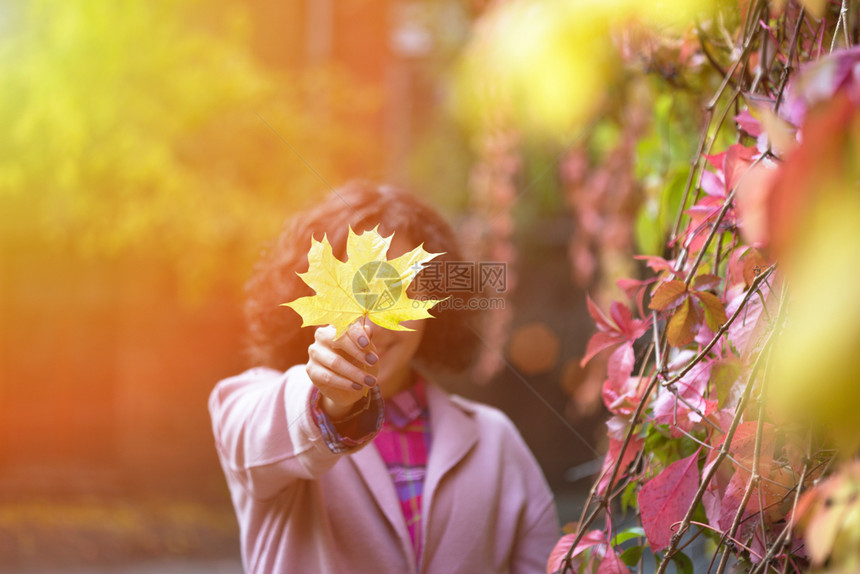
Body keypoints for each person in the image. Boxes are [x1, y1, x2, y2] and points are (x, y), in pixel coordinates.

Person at [208, 180, 559, 573]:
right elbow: (257, 433)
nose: (371, 321)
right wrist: (332, 403)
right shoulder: (247, 404)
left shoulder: (495, 443)